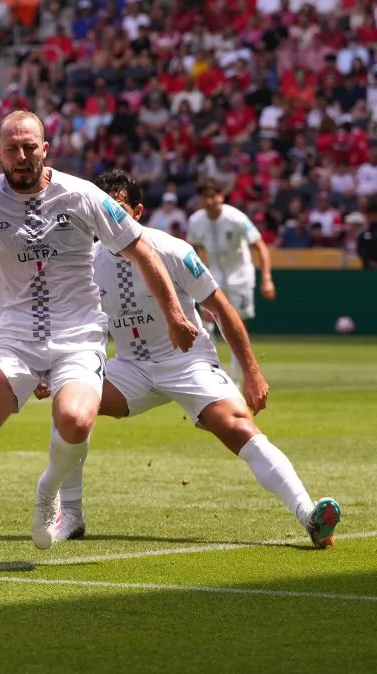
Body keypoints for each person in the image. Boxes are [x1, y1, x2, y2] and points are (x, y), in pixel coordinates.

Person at [0, 110, 199, 566]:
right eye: (12, 148)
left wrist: (174, 314)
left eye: (29, 147)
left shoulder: (82, 195)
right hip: (14, 339)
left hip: (78, 337)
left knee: (76, 421)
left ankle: (48, 490)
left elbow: (141, 248)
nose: (21, 156)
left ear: (45, 149)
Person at [34, 170, 341, 549]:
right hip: (129, 367)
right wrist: (51, 368)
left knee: (237, 427)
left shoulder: (172, 250)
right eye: (104, 210)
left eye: (121, 210)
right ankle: (72, 516)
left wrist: (252, 372)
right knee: (70, 402)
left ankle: (309, 515)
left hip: (187, 362)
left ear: (139, 212)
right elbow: (67, 321)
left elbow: (222, 309)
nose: (111, 220)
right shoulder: (84, 261)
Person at [187, 178, 276, 386]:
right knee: (205, 322)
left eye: (213, 196)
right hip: (213, 276)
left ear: (221, 197)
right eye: (204, 197)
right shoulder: (195, 221)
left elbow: (260, 245)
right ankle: (211, 374)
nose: (209, 201)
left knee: (237, 327)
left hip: (240, 278)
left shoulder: (237, 218)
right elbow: (192, 250)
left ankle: (236, 378)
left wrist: (267, 278)